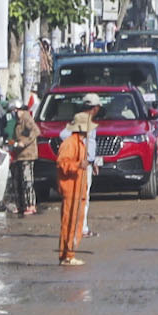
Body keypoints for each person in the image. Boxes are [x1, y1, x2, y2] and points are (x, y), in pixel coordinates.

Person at [55, 107, 95, 266]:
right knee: (69, 223)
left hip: (78, 189)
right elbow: (62, 164)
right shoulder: (70, 144)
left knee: (75, 223)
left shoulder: (80, 144)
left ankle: (68, 254)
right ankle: (67, 255)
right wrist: (79, 164)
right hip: (71, 189)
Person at [12, 101, 41, 217]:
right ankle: (21, 205)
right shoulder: (18, 122)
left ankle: (31, 205)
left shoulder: (27, 119)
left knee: (27, 181)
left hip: (28, 155)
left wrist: (24, 142)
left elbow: (35, 131)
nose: (15, 113)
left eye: (16, 111)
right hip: (20, 155)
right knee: (18, 182)